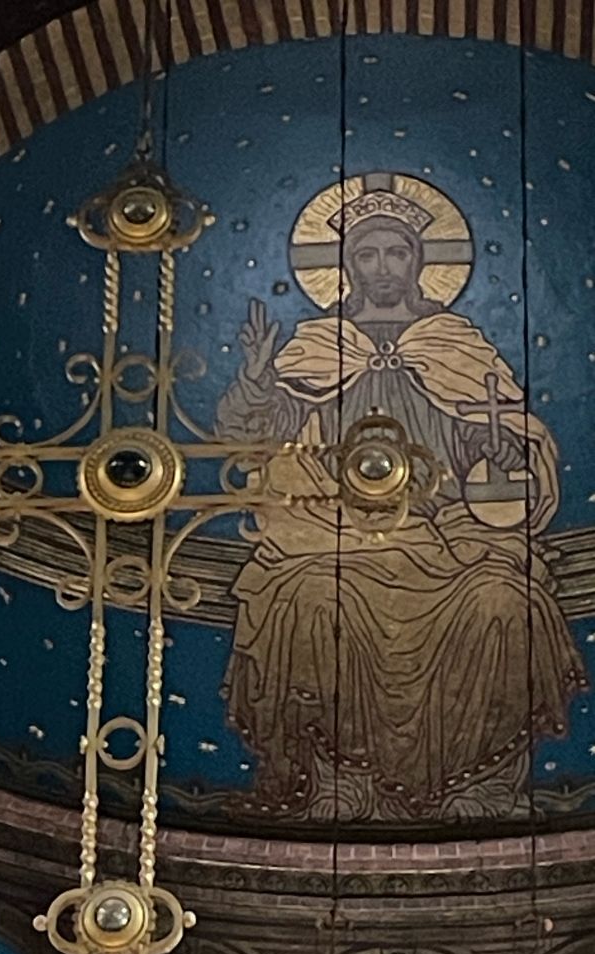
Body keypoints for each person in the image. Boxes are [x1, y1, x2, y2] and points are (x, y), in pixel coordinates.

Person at [216, 210, 585, 821]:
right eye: (368, 254)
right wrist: (257, 376)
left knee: (504, 604)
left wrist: (498, 450)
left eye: (397, 252)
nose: (383, 267)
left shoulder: (455, 344)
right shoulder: (318, 346)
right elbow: (250, 438)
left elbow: (492, 434)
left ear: (419, 262)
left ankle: (481, 786)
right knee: (315, 602)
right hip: (339, 531)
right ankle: (337, 783)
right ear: (347, 266)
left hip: (449, 532)